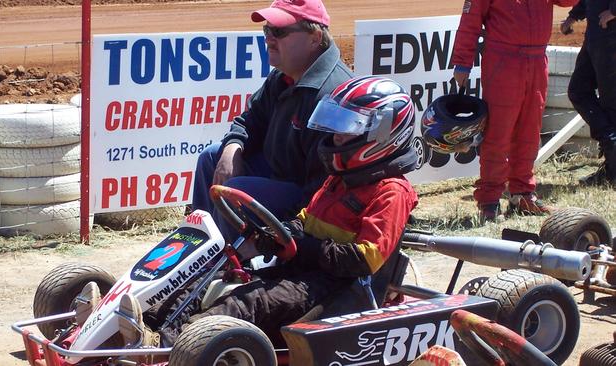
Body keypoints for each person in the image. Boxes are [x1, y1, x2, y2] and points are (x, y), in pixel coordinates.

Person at [115, 76, 420, 349]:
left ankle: (164, 346)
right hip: (304, 275)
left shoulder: (391, 190)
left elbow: (365, 260)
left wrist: (302, 248)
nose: (336, 138)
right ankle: (141, 324)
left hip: (338, 289)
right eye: (337, 129)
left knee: (250, 300)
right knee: (215, 282)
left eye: (347, 130)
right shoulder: (338, 180)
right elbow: (303, 222)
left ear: (382, 134)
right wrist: (278, 236)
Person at [192, 0, 353, 240]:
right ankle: (201, 248)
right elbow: (250, 119)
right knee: (212, 158)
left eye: (279, 31)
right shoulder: (284, 75)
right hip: (281, 174)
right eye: (267, 30)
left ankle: (233, 264)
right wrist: (232, 148)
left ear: (314, 37)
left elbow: (325, 188)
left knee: (234, 191)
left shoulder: (331, 94)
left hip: (311, 199)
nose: (268, 39)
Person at [451, 0, 578, 222]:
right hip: (503, 59)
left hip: (537, 59)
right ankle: (489, 200)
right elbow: (470, 21)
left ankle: (522, 194)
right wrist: (462, 62)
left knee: (529, 131)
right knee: (498, 133)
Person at [561, 0, 616, 185]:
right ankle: (609, 139)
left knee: (611, 102)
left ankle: (612, 171)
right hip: (596, 35)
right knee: (578, 91)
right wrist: (573, 15)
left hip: (611, 34)